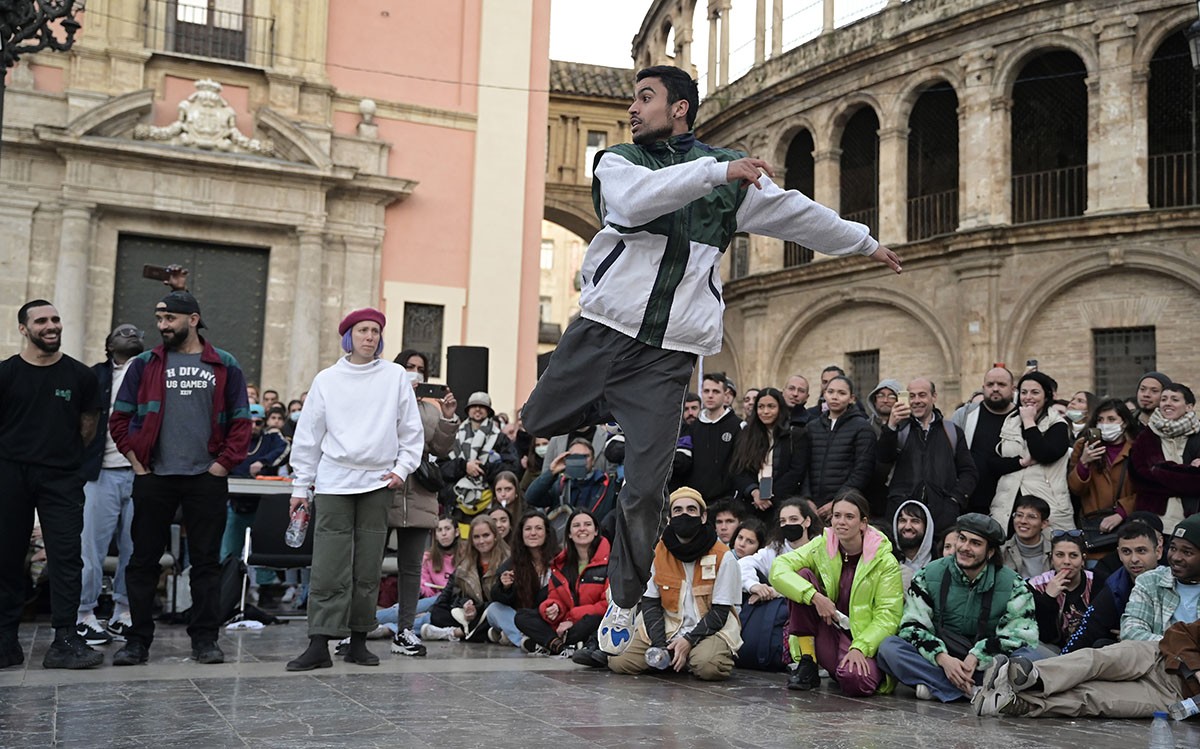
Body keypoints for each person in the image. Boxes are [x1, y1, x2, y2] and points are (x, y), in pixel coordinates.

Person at [520, 64, 901, 656]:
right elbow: (638, 202)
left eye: (645, 98)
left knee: (646, 489)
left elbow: (796, 212)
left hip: (666, 356)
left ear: (679, 108)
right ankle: (603, 407)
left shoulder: (729, 182)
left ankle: (622, 602)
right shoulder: (620, 162)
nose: (631, 109)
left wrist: (863, 241)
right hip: (603, 333)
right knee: (538, 420)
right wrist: (717, 170)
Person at [110, 290, 251, 667]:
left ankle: (205, 639)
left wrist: (221, 466)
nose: (162, 326)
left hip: (205, 478)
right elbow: (119, 419)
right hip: (154, 476)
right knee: (142, 561)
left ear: (193, 319)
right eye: (159, 319)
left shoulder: (224, 363)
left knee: (205, 562)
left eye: (169, 319)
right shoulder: (144, 364)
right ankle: (137, 640)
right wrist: (136, 461)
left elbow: (241, 422)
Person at [282, 308, 424, 671]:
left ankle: (359, 639)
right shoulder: (328, 379)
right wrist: (301, 485)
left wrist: (402, 469)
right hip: (333, 481)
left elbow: (411, 429)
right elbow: (309, 436)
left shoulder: (394, 376)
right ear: (349, 335)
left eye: (375, 331)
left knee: (368, 565)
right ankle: (319, 641)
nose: (370, 337)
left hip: (377, 482)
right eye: (363, 330)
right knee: (329, 564)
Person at [0, 300, 102, 670]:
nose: (51, 326)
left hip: (61, 476)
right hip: (9, 474)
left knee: (65, 557)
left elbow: (87, 427)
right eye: (41, 320)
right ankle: (5, 640)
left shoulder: (80, 377)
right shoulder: (6, 373)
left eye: (56, 319)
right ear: (24, 329)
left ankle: (64, 640)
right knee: (7, 557)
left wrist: (62, 456)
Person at [876, 513, 1040, 702]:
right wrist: (942, 658)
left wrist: (977, 656)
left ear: (990, 552)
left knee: (1032, 657)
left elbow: (1020, 635)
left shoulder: (1013, 584)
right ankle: (971, 692)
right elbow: (912, 627)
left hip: (987, 665)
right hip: (942, 660)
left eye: (975, 543)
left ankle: (939, 687)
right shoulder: (929, 574)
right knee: (889, 648)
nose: (964, 548)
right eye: (962, 539)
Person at [770, 491, 904, 696]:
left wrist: (860, 647)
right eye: (836, 516)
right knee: (801, 575)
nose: (841, 522)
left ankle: (844, 666)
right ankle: (808, 662)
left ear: (863, 523)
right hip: (829, 629)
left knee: (855, 681)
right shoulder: (821, 544)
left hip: (861, 639)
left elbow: (889, 616)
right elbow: (778, 569)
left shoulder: (885, 561)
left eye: (849, 517)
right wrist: (814, 597)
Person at [606, 487, 744, 680]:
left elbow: (720, 612)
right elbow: (650, 603)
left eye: (691, 509)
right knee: (619, 661)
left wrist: (688, 641)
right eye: (678, 510)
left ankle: (686, 656)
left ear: (703, 517)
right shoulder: (657, 552)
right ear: (669, 518)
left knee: (709, 667)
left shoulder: (723, 556)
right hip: (667, 626)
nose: (684, 514)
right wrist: (659, 645)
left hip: (709, 630)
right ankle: (673, 657)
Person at [972, 616, 1200, 718]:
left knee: (1094, 699)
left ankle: (1009, 702)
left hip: (1176, 696)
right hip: (1160, 656)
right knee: (1097, 660)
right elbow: (1179, 633)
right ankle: (1031, 676)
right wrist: (1196, 668)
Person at [387, 348, 459, 658]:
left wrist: (447, 417)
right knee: (365, 565)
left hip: (419, 495)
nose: (415, 372)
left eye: (420, 368)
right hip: (386, 491)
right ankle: (357, 627)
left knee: (412, 567)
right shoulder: (382, 401)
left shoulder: (428, 410)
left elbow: (441, 449)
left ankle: (404, 630)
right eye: (409, 366)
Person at [76, 324, 144, 646]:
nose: (131, 333)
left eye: (135, 332)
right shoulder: (93, 376)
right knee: (91, 549)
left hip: (142, 472)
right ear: (108, 344)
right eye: (122, 332)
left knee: (136, 548)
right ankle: (84, 614)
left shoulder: (151, 372)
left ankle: (123, 612)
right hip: (100, 472)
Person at [878, 378, 976, 537]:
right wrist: (891, 426)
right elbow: (883, 459)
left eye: (922, 395)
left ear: (934, 397)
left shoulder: (952, 431)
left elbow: (969, 472)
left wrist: (954, 500)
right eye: (912, 396)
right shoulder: (898, 429)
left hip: (942, 518)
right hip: (903, 516)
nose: (916, 401)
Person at [519, 509, 610, 655]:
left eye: (587, 524)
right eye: (576, 525)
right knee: (522, 617)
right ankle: (561, 646)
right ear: (569, 533)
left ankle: (548, 642)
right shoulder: (561, 564)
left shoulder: (610, 562)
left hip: (587, 622)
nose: (582, 529)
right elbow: (554, 596)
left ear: (595, 531)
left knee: (593, 620)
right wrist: (553, 608)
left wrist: (572, 618)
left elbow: (606, 605)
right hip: (564, 625)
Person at [990, 371, 1073, 531]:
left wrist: (1029, 421)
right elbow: (994, 462)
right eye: (1023, 392)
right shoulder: (1010, 422)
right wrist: (1021, 462)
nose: (1028, 397)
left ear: (1047, 396)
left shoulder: (1058, 425)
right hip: (1008, 506)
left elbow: (1044, 453)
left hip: (1048, 507)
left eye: (1035, 392)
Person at [1063, 521, 1161, 653]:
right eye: (1126, 552)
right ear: (1119, 554)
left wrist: (1135, 637)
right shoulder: (1115, 587)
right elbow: (1086, 632)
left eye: (1141, 551)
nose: (1134, 559)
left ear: (1158, 551)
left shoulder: (1176, 579)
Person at [219, 403, 291, 562]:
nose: (253, 426)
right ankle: (228, 583)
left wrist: (264, 462)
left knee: (265, 554)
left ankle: (265, 585)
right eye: (249, 422)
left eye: (258, 423)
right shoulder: (234, 440)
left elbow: (285, 449)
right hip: (236, 504)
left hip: (262, 506)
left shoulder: (271, 438)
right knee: (229, 553)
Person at [423, 515, 510, 642]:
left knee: (493, 612)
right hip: (471, 615)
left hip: (494, 610)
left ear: (495, 536)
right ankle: (487, 634)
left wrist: (477, 608)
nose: (481, 541)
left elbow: (506, 599)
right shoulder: (466, 562)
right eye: (476, 537)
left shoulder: (508, 560)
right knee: (438, 613)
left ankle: (456, 633)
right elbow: (454, 595)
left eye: (486, 535)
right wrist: (466, 604)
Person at [1129, 383, 1200, 535]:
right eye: (1164, 399)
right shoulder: (1146, 437)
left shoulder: (1198, 436)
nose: (1167, 403)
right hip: (1153, 521)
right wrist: (1189, 475)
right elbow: (1140, 477)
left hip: (1192, 522)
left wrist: (1159, 470)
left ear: (1189, 406)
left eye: (1174, 399)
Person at [1068, 398, 1139, 548]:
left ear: (1124, 422)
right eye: (1100, 420)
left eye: (1111, 419)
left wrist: (1122, 512)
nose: (1105, 424)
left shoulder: (1137, 449)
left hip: (1129, 528)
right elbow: (1075, 489)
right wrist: (1084, 462)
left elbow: (1144, 490)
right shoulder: (1083, 446)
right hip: (1095, 529)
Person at [804, 376, 876, 521]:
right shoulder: (812, 427)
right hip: (813, 506)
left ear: (851, 398)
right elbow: (803, 466)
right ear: (824, 394)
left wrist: (837, 503)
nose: (835, 397)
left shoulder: (862, 427)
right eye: (830, 392)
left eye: (841, 393)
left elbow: (862, 471)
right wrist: (806, 498)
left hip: (845, 506)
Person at [487, 510, 561, 651]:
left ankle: (515, 637)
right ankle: (525, 640)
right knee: (494, 609)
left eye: (538, 528)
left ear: (547, 533)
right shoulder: (512, 564)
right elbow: (498, 598)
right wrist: (504, 587)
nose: (533, 533)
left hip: (550, 615)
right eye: (528, 529)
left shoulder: (559, 560)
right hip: (522, 618)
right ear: (521, 534)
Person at [1120, 513, 1200, 641]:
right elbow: (1131, 631)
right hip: (1156, 656)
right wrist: (1175, 646)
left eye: (1187, 552)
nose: (1176, 557)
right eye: (1173, 548)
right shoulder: (1150, 581)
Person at [952, 367, 1017, 515]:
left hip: (1011, 505)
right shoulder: (965, 415)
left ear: (1013, 389)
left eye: (1001, 384)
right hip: (970, 503)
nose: (995, 389)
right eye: (990, 385)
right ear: (983, 388)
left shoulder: (1022, 418)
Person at [730, 388, 802, 519]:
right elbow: (738, 469)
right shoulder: (746, 434)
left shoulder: (794, 435)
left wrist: (769, 496)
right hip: (752, 505)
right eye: (761, 407)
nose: (765, 411)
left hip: (783, 504)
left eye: (771, 406)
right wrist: (755, 492)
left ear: (780, 408)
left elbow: (796, 471)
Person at [524, 437, 617, 524]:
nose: (580, 461)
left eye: (585, 456)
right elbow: (531, 498)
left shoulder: (607, 484)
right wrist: (551, 472)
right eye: (575, 457)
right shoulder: (561, 484)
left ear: (593, 460)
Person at [1027, 531, 1093, 651]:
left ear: (1083, 560)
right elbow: (1043, 636)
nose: (1066, 561)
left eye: (1073, 555)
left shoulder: (1096, 581)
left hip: (1091, 649)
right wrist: (1048, 597)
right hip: (1052, 651)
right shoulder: (1036, 586)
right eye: (1060, 555)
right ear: (1051, 559)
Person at [681, 372, 741, 503]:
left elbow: (739, 466)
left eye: (716, 391)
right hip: (696, 500)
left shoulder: (737, 426)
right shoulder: (692, 427)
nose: (710, 395)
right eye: (706, 391)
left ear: (725, 395)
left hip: (727, 500)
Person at [999, 495, 1053, 579]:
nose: (1023, 521)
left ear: (1044, 524)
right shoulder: (1001, 552)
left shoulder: (1055, 552)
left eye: (1031, 517)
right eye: (1019, 515)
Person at [891, 500, 936, 589]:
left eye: (915, 521)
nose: (907, 527)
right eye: (903, 521)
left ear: (926, 527)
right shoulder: (888, 562)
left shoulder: (937, 566)